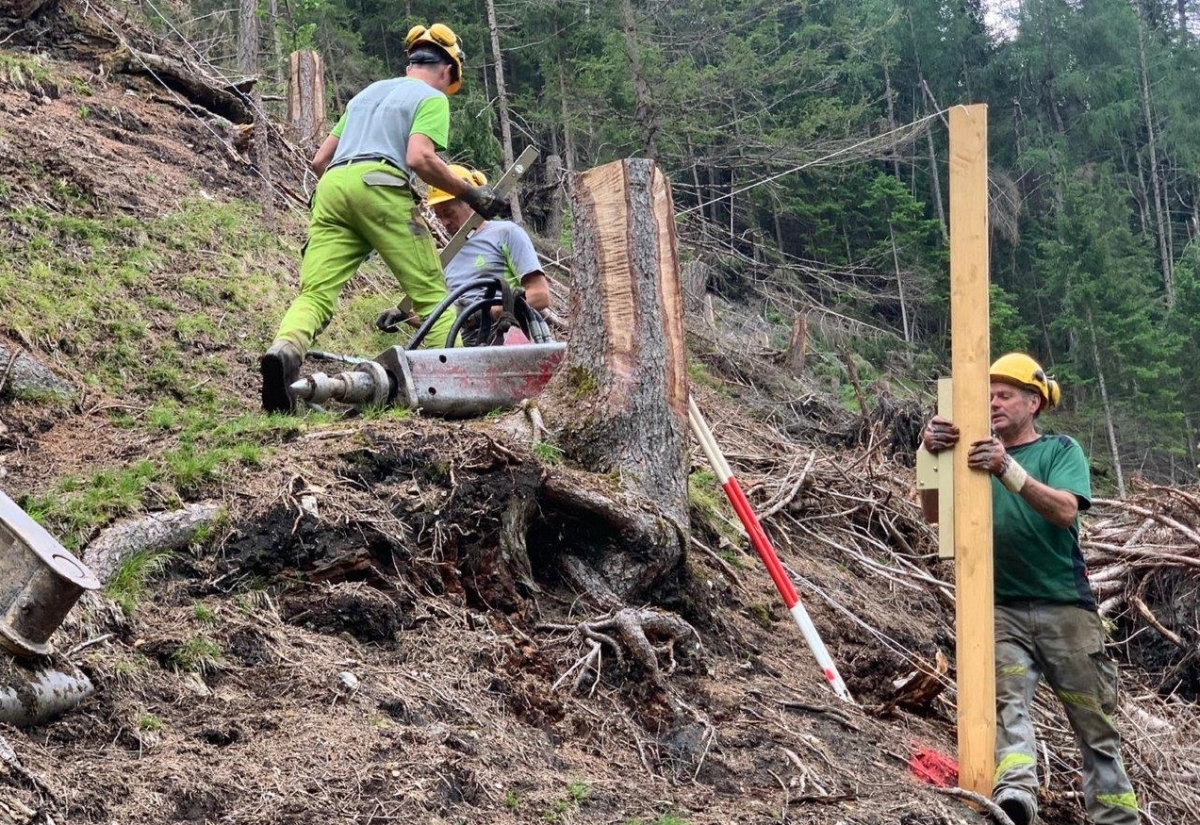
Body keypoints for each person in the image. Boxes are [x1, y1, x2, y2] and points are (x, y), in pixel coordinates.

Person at [919, 353, 1138, 825]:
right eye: (989, 396)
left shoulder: (1060, 450)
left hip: (1066, 610)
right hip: (1000, 608)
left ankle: (1117, 818)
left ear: (1033, 402)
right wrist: (930, 458)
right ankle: (1016, 799)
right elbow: (935, 518)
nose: (993, 403)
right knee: (1006, 706)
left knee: (1094, 724)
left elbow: (1064, 511)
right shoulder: (973, 455)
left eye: (1005, 395)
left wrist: (1007, 470)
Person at [260, 23, 505, 413]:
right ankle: (468, 392)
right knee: (430, 294)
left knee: (315, 294)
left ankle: (284, 351)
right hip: (381, 184)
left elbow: (320, 160)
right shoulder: (430, 97)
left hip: (332, 188)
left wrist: (348, 204)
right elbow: (420, 158)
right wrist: (472, 194)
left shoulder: (365, 96)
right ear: (446, 71)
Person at [377, 164, 551, 345]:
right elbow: (445, 321)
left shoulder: (506, 234)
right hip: (466, 349)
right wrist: (404, 316)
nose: (444, 222)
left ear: (470, 203)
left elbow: (540, 295)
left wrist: (489, 312)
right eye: (439, 216)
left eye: (448, 213)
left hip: (509, 340)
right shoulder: (446, 258)